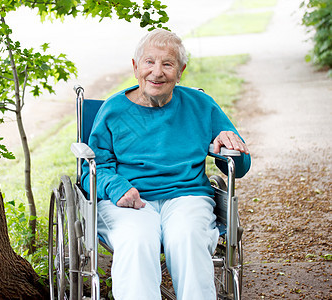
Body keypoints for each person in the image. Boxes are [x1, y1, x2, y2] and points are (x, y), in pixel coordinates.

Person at [81, 28, 251, 300]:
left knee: (188, 238)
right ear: (136, 67)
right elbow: (91, 168)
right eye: (149, 62)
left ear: (180, 70)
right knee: (137, 241)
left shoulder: (201, 105)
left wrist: (231, 144)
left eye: (167, 64)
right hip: (129, 200)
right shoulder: (113, 110)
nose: (157, 72)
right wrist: (116, 188)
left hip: (187, 196)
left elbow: (240, 168)